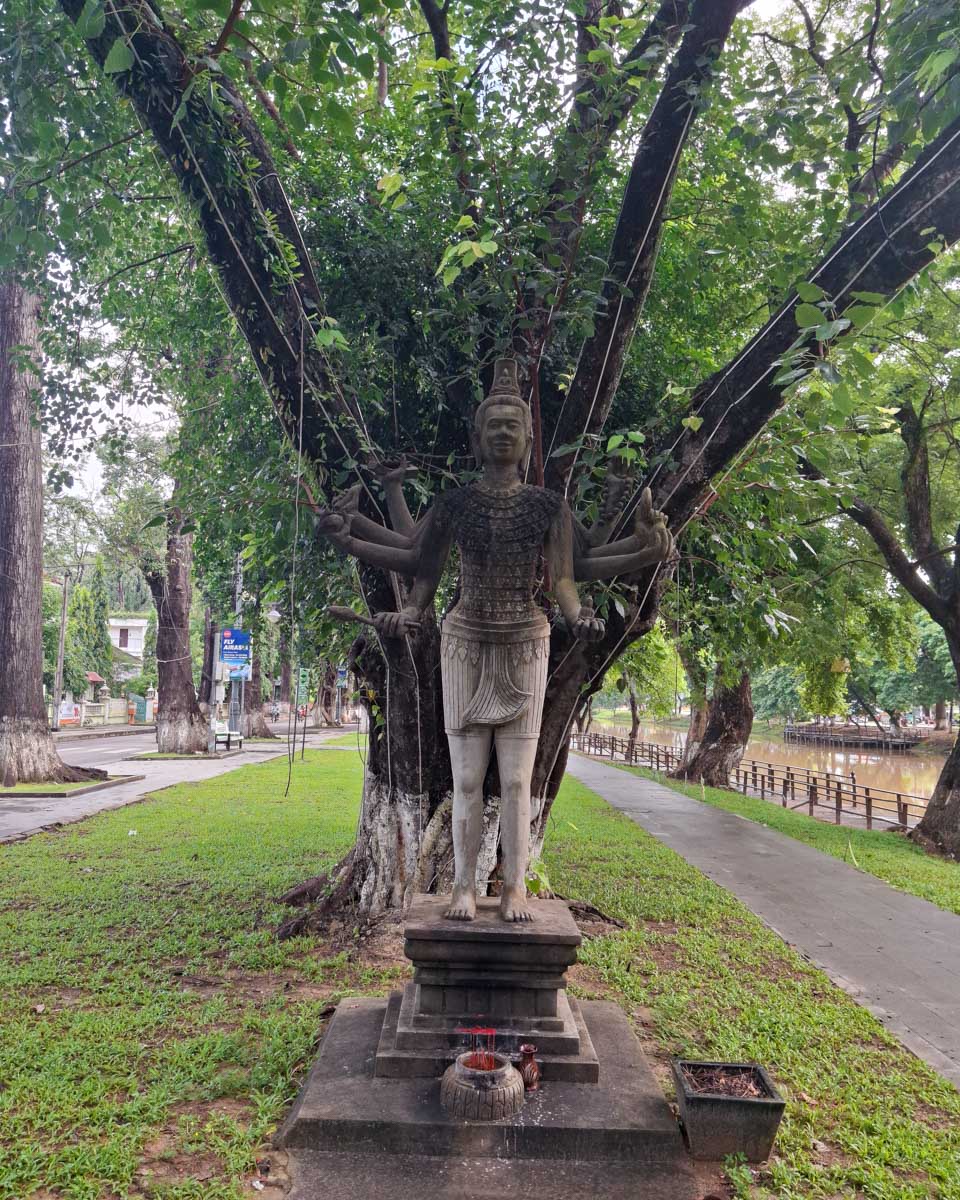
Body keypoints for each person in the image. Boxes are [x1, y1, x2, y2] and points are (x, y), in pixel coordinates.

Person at [316, 360, 673, 922]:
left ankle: (514, 889)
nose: (504, 432)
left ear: (528, 439)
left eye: (514, 424)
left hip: (526, 643)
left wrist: (631, 567)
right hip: (464, 643)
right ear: (477, 439)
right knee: (463, 781)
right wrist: (398, 601)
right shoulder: (457, 504)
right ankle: (462, 887)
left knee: (515, 780)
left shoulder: (545, 507)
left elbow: (567, 578)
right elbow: (417, 564)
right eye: (494, 425)